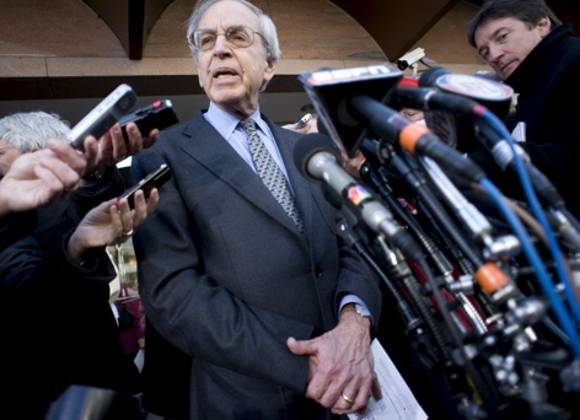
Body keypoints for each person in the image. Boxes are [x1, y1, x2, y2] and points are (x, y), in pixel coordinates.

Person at [131, 0, 382, 418]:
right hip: (247, 400)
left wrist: (355, 322)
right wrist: (307, 360)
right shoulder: (163, 157)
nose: (219, 49)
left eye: (237, 36)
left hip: (353, 384)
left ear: (269, 65)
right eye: (205, 41)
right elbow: (173, 293)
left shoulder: (307, 150)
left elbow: (353, 246)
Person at [0, 111, 158, 418]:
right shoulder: (14, 212)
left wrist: (94, 173)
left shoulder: (52, 205)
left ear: (34, 151)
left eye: (0, 152)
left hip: (83, 381)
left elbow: (79, 209)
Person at [468, 0, 580, 217]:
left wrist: (480, 162)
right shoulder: (535, 81)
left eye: (502, 37)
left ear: (541, 25)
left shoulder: (574, 63)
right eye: (485, 52)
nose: (494, 56)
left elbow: (570, 163)